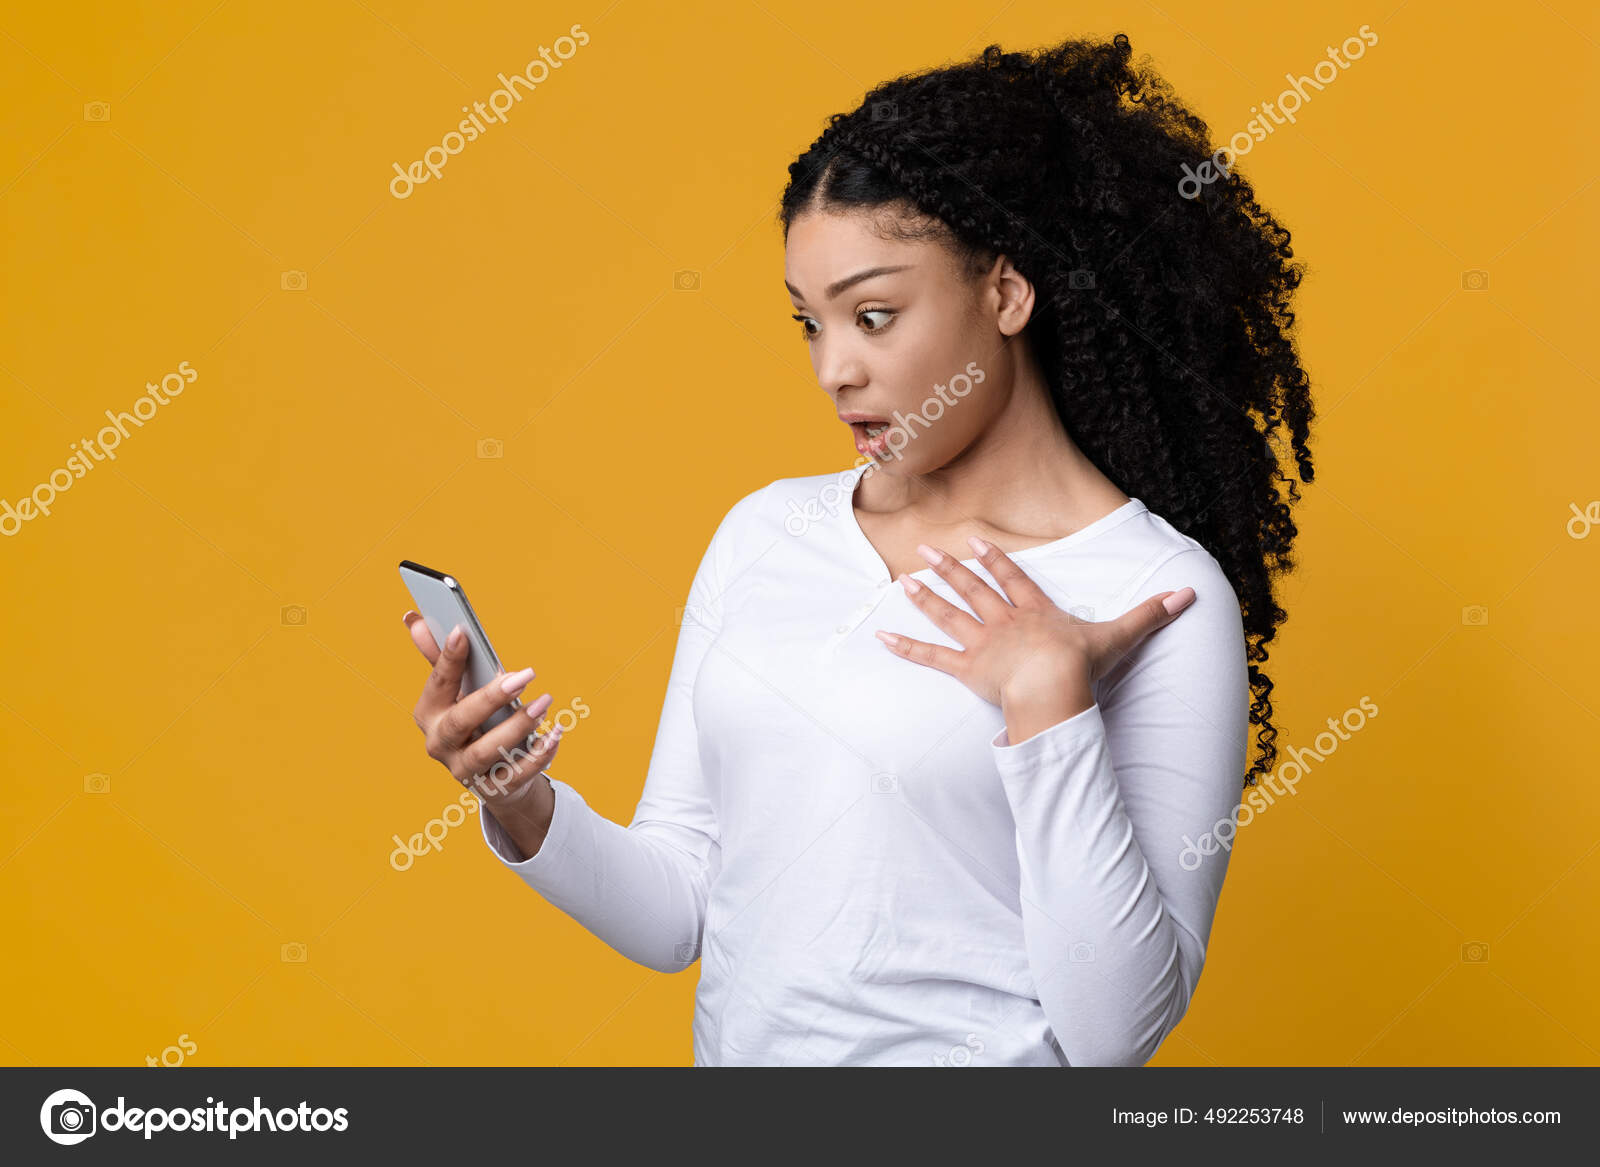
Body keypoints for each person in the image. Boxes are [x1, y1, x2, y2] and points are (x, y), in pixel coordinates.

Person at [402, 32, 1314, 1066]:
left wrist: (1048, 701)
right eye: (808, 323)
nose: (834, 369)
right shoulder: (766, 534)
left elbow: (1112, 1036)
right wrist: (517, 796)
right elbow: (678, 912)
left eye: (874, 316)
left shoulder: (1153, 591)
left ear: (1006, 294)